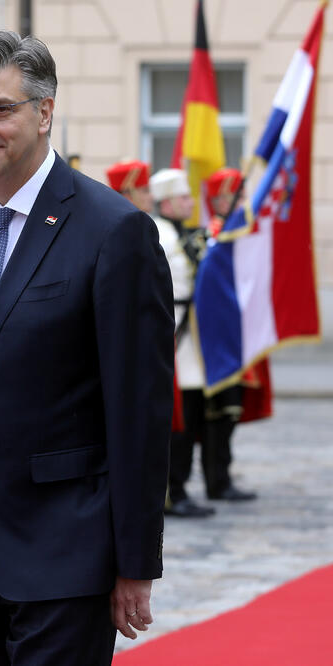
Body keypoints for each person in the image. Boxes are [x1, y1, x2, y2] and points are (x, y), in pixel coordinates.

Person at [0, 31, 174, 664]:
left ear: (46, 111)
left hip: (66, 551)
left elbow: (138, 412)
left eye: (0, 109)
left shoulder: (115, 231)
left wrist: (135, 562)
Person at [149, 168, 227, 517]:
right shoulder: (159, 234)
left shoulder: (186, 234)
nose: (191, 202)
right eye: (183, 198)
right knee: (174, 423)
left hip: (191, 341)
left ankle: (179, 487)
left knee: (190, 416)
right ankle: (170, 491)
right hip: (171, 336)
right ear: (166, 202)